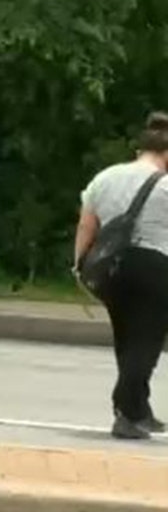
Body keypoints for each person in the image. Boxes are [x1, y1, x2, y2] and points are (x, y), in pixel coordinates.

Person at [74, 113, 168, 440]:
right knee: (146, 342)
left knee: (126, 337)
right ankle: (126, 412)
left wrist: (79, 265)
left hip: (110, 266)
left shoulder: (105, 177)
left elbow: (87, 225)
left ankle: (138, 408)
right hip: (155, 265)